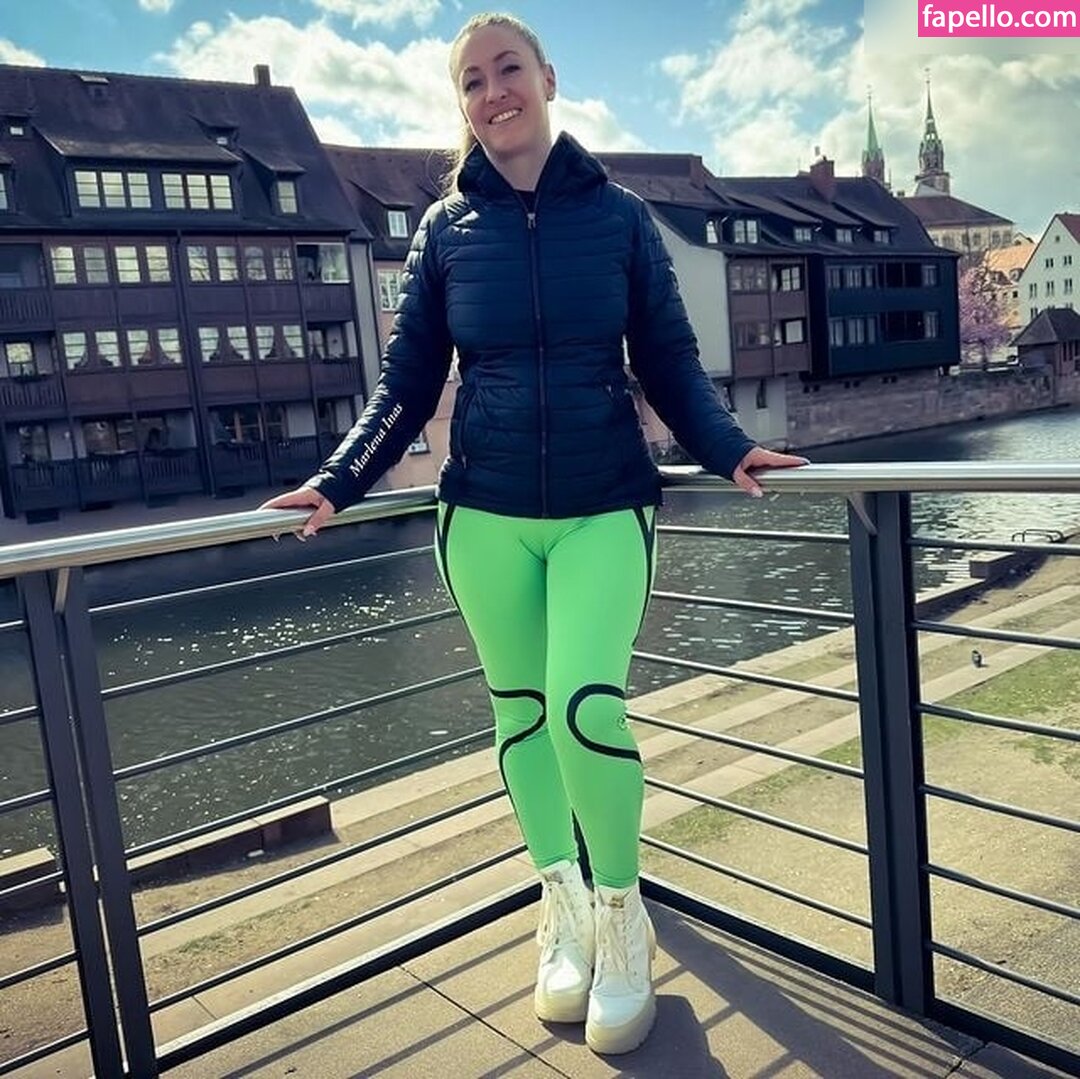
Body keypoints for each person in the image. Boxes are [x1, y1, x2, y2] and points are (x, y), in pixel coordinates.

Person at [262, 11, 807, 1055]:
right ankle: (559, 904)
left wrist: (730, 445)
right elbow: (406, 383)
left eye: (507, 69)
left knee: (583, 705)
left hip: (604, 502)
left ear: (548, 78)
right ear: (461, 103)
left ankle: (623, 916)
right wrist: (337, 480)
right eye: (471, 80)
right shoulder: (443, 231)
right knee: (520, 715)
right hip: (484, 514)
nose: (492, 92)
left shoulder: (622, 219)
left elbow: (669, 357)